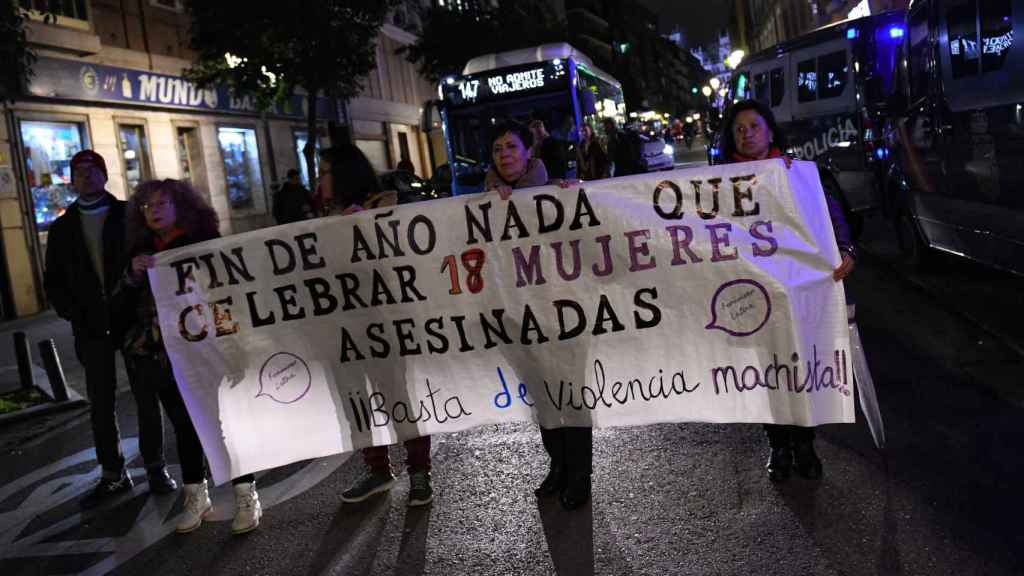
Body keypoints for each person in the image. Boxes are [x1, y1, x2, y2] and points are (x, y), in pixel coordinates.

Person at [719, 99, 856, 483]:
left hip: (796, 291)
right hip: (748, 293)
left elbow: (831, 215)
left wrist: (845, 250)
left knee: (799, 366)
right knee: (765, 371)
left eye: (753, 126)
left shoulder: (796, 172)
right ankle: (777, 444)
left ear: (770, 130)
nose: (747, 134)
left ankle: (804, 443)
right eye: (739, 129)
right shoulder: (717, 182)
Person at [118, 179, 261, 534]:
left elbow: (226, 295)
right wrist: (133, 276)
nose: (154, 211)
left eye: (161, 204)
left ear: (179, 206)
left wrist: (232, 345)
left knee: (226, 421)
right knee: (185, 423)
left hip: (208, 348)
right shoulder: (138, 251)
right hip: (163, 354)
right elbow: (120, 304)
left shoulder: (203, 244)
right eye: (147, 206)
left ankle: (247, 495)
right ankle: (196, 496)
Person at [43, 150, 176, 509]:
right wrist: (73, 312)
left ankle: (155, 468)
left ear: (104, 175)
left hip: (133, 322)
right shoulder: (62, 227)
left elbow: (153, 257)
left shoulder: (129, 217)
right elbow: (53, 281)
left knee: (147, 398)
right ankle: (113, 474)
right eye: (78, 172)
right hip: (90, 328)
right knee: (101, 403)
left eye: (92, 170)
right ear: (72, 179)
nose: (85, 176)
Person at [485, 121, 593, 510]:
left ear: (528, 153)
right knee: (543, 395)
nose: (505, 155)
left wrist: (570, 197)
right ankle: (559, 467)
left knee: (573, 395)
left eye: (512, 147)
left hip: (564, 313)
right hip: (519, 317)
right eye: (497, 149)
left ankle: (581, 474)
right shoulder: (483, 203)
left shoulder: (556, 191)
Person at [322, 145, 434, 507]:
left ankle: (419, 471)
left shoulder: (383, 204)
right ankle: (377, 469)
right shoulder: (322, 215)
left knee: (397, 394)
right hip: (341, 323)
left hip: (383, 321)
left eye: (324, 171)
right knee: (355, 398)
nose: (318, 179)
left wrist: (363, 229)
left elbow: (402, 258)